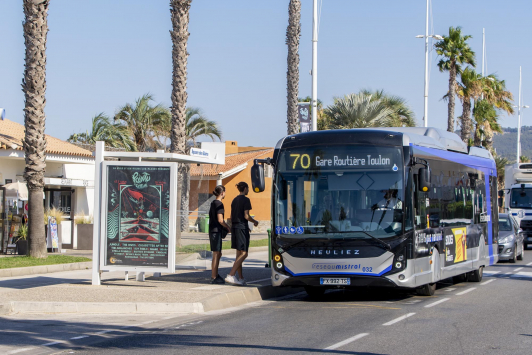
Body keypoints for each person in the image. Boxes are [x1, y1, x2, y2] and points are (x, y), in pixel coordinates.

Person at [225, 182, 259, 286]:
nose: (248, 190)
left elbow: (231, 216)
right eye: (248, 188)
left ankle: (240, 278)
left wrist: (233, 227)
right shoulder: (246, 200)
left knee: (239, 254)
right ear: (244, 188)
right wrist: (254, 222)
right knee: (244, 253)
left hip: (235, 228)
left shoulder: (234, 200)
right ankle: (231, 275)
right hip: (241, 228)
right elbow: (246, 216)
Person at [209, 185, 230, 284]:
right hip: (216, 231)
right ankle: (214, 276)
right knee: (217, 254)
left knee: (217, 253)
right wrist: (227, 227)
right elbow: (220, 220)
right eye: (225, 192)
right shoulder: (219, 204)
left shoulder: (213, 203)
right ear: (222, 193)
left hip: (212, 230)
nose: (225, 194)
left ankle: (215, 274)